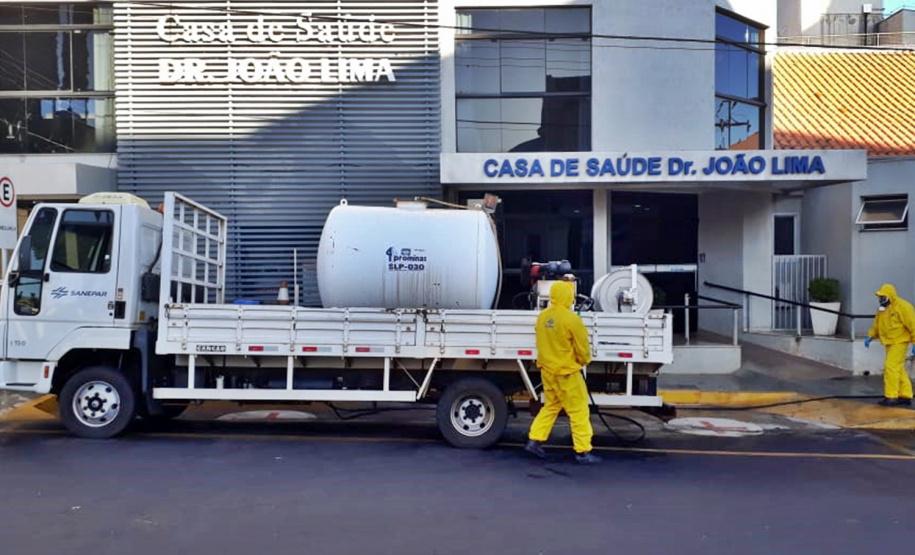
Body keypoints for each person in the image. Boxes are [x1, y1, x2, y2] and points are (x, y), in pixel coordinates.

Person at [524, 281, 601, 464]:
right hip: (567, 373)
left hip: (547, 371)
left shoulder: (542, 317)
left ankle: (534, 440)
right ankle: (583, 451)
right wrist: (584, 361)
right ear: (568, 296)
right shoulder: (571, 319)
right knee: (579, 411)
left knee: (551, 406)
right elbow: (582, 348)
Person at [864, 284, 915, 406]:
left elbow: (913, 324)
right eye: (880, 297)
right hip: (889, 342)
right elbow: (877, 323)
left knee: (890, 367)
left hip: (899, 342)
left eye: (883, 296)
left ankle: (891, 396)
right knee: (898, 368)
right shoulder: (882, 309)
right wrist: (871, 335)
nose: (881, 299)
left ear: (890, 296)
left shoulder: (903, 307)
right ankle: (905, 395)